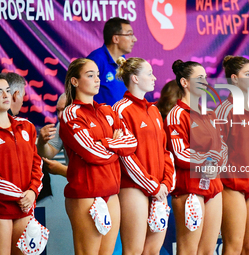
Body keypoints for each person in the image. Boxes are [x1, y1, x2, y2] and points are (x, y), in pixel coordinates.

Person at [59, 58, 137, 255]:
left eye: (98, 75)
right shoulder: (71, 113)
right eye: (90, 75)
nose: (97, 80)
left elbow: (131, 144)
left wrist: (107, 144)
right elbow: (92, 154)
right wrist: (115, 149)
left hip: (112, 193)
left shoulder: (107, 110)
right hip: (87, 194)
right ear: (75, 81)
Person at [113, 57, 175, 254]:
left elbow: (165, 151)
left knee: (153, 250)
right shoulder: (120, 110)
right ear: (135, 79)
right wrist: (153, 186)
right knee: (134, 250)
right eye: (149, 73)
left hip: (159, 188)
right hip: (134, 187)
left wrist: (166, 183)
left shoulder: (155, 110)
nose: (154, 78)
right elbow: (125, 156)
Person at [164, 60, 228, 254]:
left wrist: (216, 163)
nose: (205, 82)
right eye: (199, 78)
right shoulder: (177, 115)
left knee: (208, 251)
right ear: (185, 82)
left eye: (205, 78)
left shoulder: (209, 114)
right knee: (188, 251)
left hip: (213, 187)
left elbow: (223, 148)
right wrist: (209, 160)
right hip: (189, 189)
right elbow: (180, 154)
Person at [215, 55, 249, 255]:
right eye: (248, 73)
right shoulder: (225, 110)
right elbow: (217, 150)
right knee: (234, 246)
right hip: (233, 187)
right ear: (234, 78)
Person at [0, 76, 43, 254]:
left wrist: (32, 192)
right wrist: (20, 195)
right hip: (3, 209)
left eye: (7, 91)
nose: (5, 95)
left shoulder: (27, 127)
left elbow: (37, 165)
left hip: (25, 207)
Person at [87, 17, 137, 106]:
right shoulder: (96, 60)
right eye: (129, 35)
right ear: (115, 39)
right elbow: (81, 94)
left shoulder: (123, 61)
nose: (134, 39)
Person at [37, 93, 67, 177]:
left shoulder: (95, 126)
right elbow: (47, 154)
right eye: (58, 111)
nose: (59, 116)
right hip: (75, 186)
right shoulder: (62, 125)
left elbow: (95, 173)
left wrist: (62, 170)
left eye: (64, 110)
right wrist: (42, 142)